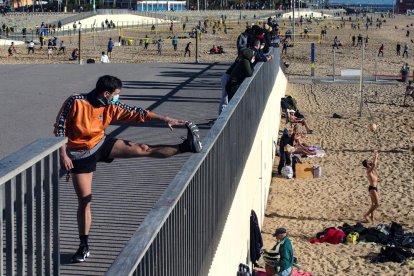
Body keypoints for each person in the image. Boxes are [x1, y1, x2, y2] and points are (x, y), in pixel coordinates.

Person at [54, 75, 203, 263]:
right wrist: (63, 155)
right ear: (106, 93)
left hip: (100, 143)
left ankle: (186, 146)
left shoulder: (110, 106)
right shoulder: (75, 102)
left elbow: (137, 113)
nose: (118, 98)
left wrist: (166, 118)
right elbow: (59, 128)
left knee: (143, 149)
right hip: (80, 154)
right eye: (116, 94)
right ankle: (84, 246)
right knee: (85, 201)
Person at [362, 149, 379, 223]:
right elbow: (374, 164)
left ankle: (372, 217)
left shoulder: (372, 170)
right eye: (369, 162)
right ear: (367, 164)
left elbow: (374, 164)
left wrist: (375, 157)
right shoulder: (368, 171)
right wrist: (376, 156)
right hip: (372, 189)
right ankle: (366, 215)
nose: (370, 162)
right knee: (377, 204)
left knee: (373, 204)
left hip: (374, 188)